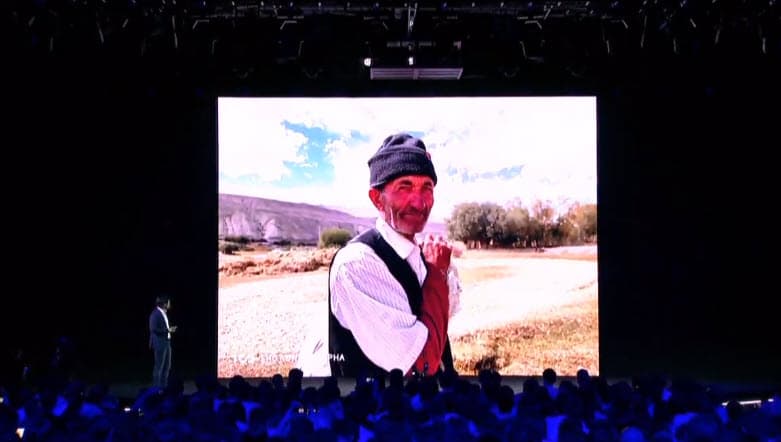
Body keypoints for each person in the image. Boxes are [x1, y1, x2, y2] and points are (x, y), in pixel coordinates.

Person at [326, 132, 455, 378]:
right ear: (377, 199)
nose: (419, 203)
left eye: (427, 187)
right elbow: (421, 366)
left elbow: (441, 320)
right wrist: (438, 274)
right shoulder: (357, 264)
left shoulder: (420, 255)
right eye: (404, 187)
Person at [149, 295, 177, 388]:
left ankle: (164, 387)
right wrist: (167, 330)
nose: (169, 304)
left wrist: (168, 330)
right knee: (159, 367)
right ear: (164, 304)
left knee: (167, 367)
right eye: (168, 303)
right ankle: (156, 388)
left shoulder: (163, 313)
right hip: (159, 343)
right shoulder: (155, 314)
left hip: (166, 342)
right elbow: (153, 329)